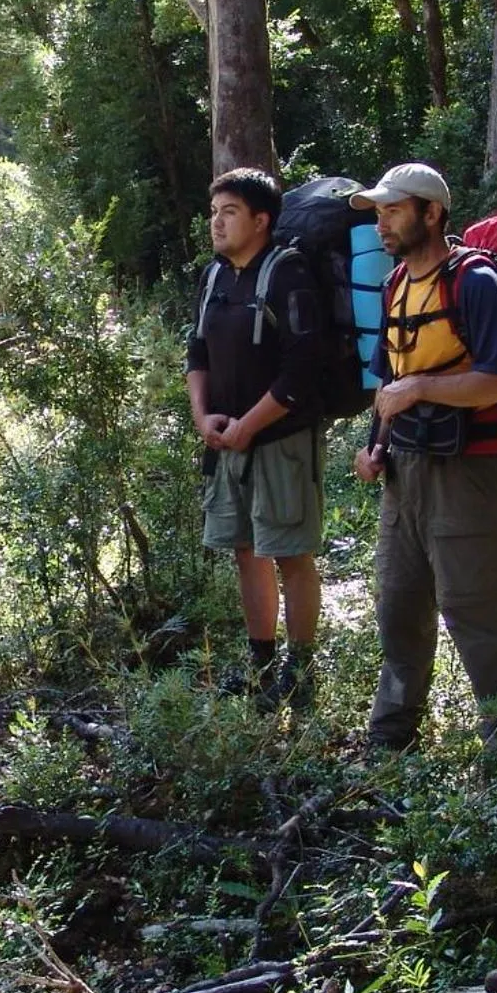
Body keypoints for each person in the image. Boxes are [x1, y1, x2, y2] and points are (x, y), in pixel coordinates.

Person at [350, 162, 497, 752]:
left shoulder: (476, 281)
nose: (382, 224)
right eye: (378, 212)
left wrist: (421, 389)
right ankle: (390, 741)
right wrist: (375, 444)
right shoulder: (395, 285)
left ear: (431, 213)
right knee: (398, 606)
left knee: (480, 610)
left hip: (467, 470)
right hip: (402, 471)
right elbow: (390, 380)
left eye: (393, 210)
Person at [186, 168, 325, 707]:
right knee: (246, 551)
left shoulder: (288, 274)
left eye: (230, 212)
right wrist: (204, 417)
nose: (216, 223)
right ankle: (262, 666)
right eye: (213, 212)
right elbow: (197, 352)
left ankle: (302, 673)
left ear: (261, 220)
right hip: (227, 440)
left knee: (290, 553)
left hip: (281, 439)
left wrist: (251, 424)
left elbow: (303, 369)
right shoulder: (214, 277)